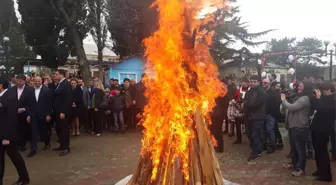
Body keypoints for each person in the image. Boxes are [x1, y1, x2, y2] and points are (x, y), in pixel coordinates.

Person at [0, 76, 30, 185]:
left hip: (8, 135)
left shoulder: (10, 97)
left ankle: (24, 178)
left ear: (1, 86)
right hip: (1, 133)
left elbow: (11, 118)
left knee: (15, 157)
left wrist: (7, 137)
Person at [282, 80, 312, 177]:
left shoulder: (305, 98)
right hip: (293, 125)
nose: (299, 87)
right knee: (294, 147)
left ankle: (300, 168)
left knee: (300, 149)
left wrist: (283, 100)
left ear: (306, 88)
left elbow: (292, 107)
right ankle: (294, 164)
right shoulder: (297, 96)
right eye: (298, 86)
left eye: (301, 86)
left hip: (300, 126)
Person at [310, 83, 335, 182]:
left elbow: (321, 109)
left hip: (323, 129)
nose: (321, 92)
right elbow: (315, 105)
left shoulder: (333, 100)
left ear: (329, 90)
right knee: (318, 151)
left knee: (323, 152)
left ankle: (326, 175)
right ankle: (320, 170)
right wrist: (316, 97)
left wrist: (318, 98)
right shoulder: (325, 98)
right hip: (317, 128)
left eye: (323, 90)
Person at [10, 75, 35, 153]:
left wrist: (25, 109)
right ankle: (16, 144)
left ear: (24, 81)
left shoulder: (30, 90)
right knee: (15, 129)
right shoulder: (12, 89)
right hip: (14, 113)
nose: (18, 82)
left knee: (23, 130)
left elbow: (32, 103)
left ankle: (22, 145)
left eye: (20, 81)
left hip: (24, 113)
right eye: (17, 80)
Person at [244, 75, 266, 162]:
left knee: (255, 135)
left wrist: (245, 105)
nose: (252, 83)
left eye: (254, 82)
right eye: (251, 81)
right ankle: (257, 150)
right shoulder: (250, 91)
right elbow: (246, 100)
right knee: (249, 134)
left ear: (258, 82)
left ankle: (255, 153)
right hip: (249, 116)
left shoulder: (261, 92)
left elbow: (256, 104)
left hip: (258, 117)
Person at [52, 70, 72, 156]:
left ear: (62, 75)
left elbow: (67, 100)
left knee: (64, 129)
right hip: (57, 110)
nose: (55, 75)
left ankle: (66, 147)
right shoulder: (60, 84)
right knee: (59, 128)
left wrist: (63, 111)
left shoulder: (66, 85)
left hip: (62, 111)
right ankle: (62, 145)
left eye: (56, 74)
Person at [33, 76, 53, 153]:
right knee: (36, 130)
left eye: (38, 81)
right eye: (36, 81)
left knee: (45, 129)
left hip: (44, 113)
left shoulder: (47, 90)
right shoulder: (31, 90)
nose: (37, 82)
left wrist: (48, 114)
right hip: (34, 114)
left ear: (41, 81)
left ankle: (47, 143)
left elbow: (49, 103)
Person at [262, 78, 281, 154]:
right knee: (264, 130)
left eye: (265, 83)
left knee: (270, 130)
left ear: (269, 83)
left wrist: (270, 113)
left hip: (271, 114)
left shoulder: (273, 91)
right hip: (263, 114)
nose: (264, 84)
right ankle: (265, 145)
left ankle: (272, 146)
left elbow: (277, 102)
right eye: (263, 83)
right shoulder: (262, 90)